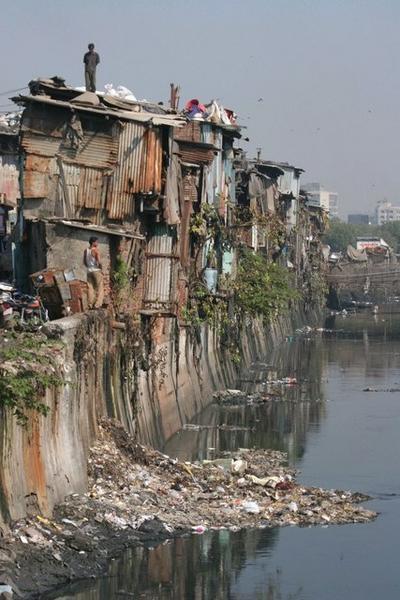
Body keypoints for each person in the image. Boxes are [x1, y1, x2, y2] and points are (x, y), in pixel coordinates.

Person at [84, 236, 104, 309]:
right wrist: (101, 270)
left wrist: (89, 267)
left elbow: (85, 262)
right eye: (97, 242)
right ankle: (97, 305)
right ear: (93, 242)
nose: (98, 243)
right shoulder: (96, 250)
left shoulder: (86, 250)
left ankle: (90, 304)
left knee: (90, 288)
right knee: (100, 288)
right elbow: (99, 262)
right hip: (96, 270)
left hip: (89, 271)